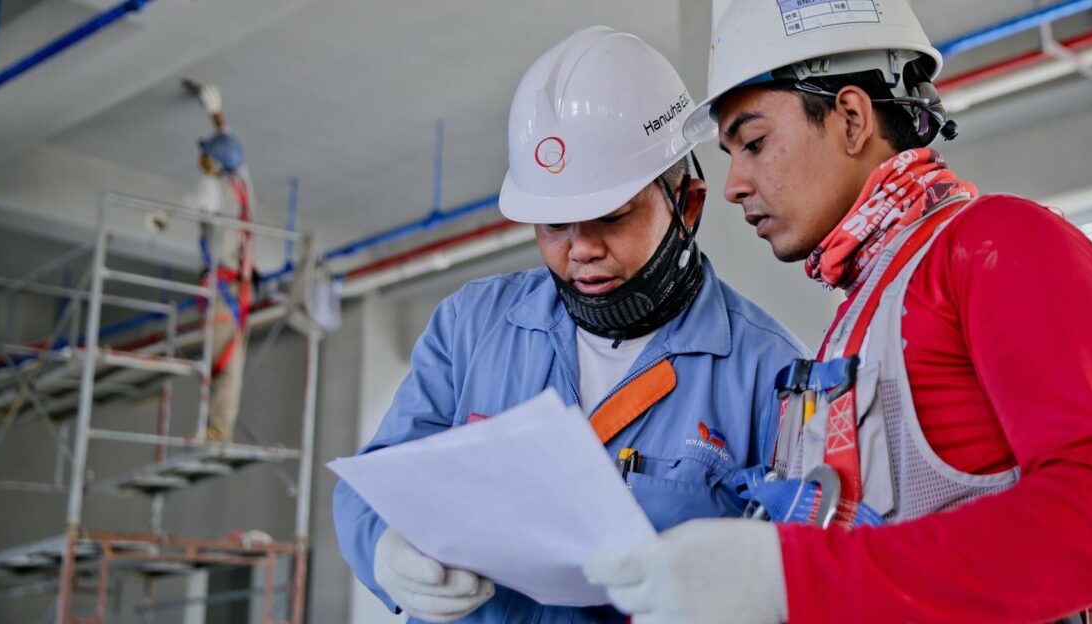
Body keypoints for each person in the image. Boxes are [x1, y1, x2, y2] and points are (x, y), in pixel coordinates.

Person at [583, 2, 1092, 622]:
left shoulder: (1000, 243)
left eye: (753, 143)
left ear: (852, 118)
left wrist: (788, 577)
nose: (733, 185)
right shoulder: (862, 315)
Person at [333, 26, 808, 623]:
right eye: (553, 224)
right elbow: (375, 479)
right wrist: (383, 546)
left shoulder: (770, 374)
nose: (580, 249)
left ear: (688, 204)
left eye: (610, 218)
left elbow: (799, 567)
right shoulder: (470, 327)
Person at [183, 81, 257, 442]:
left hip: (222, 290)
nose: (200, 159)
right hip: (237, 287)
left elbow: (188, 203)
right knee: (228, 359)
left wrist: (161, 219)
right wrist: (216, 113)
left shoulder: (212, 191)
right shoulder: (242, 186)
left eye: (205, 155)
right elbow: (232, 149)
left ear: (213, 163)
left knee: (218, 362)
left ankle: (215, 429)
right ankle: (218, 427)